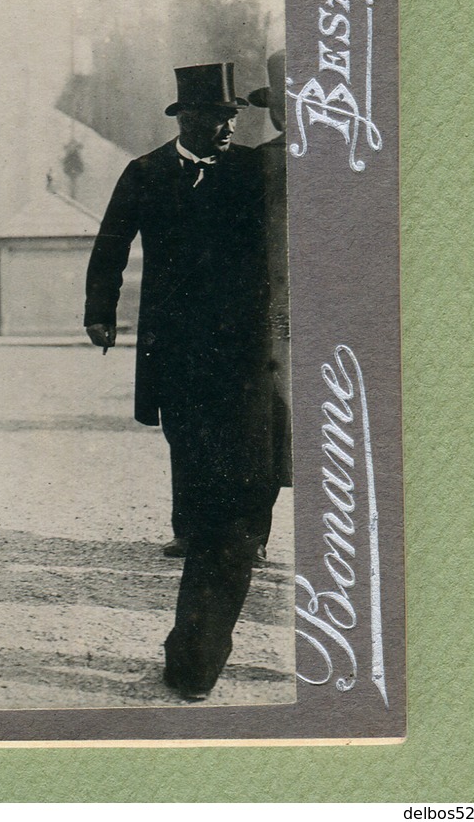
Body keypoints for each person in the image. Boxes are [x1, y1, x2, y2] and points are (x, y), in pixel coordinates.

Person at [84, 61, 282, 701]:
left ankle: (214, 579)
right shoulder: (144, 173)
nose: (227, 127)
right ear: (184, 118)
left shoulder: (256, 170)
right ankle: (200, 533)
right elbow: (110, 245)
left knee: (234, 491)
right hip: (177, 358)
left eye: (233, 117)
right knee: (195, 464)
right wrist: (100, 311)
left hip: (245, 355)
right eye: (216, 117)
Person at [246, 50, 294, 567]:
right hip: (275, 314)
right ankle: (253, 532)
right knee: (270, 423)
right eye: (283, 105)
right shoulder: (260, 163)